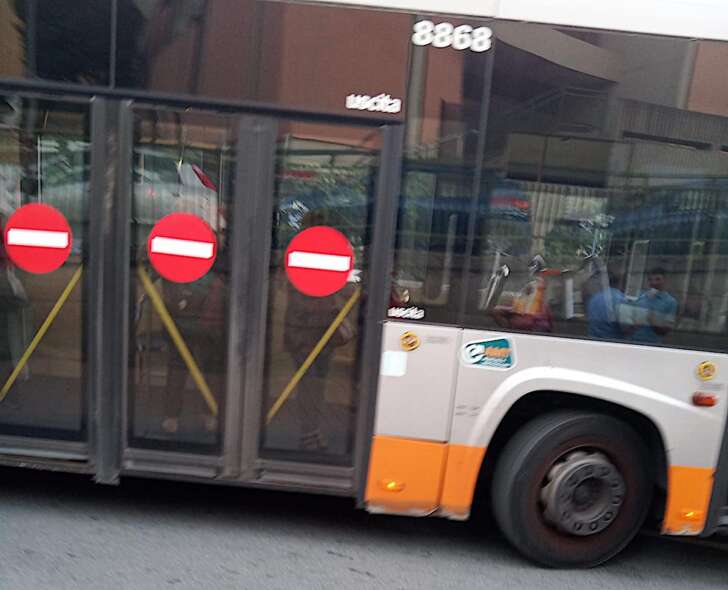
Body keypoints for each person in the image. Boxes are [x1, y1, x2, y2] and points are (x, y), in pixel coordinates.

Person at [630, 267, 678, 344]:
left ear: (665, 281)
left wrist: (652, 318)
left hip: (651, 344)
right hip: (632, 342)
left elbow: (666, 330)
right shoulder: (641, 297)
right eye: (650, 279)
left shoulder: (671, 302)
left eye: (658, 279)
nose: (654, 283)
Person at [586, 271, 625, 340]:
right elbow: (624, 327)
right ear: (618, 283)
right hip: (613, 342)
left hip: (593, 340)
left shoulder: (594, 298)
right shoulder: (620, 298)